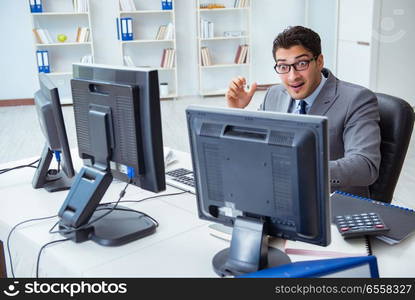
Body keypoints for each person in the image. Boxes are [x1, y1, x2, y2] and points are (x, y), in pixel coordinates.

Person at [226, 26, 381, 197]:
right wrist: (237, 112)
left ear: (319, 61)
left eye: (301, 64)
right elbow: (254, 149)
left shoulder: (356, 99)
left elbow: (365, 166)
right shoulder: (274, 94)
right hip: (278, 196)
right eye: (283, 66)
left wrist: (298, 168)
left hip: (331, 201)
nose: (293, 77)